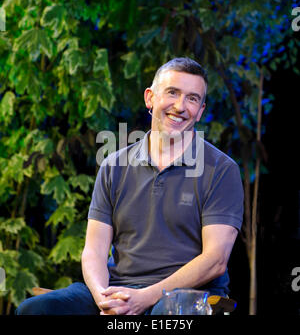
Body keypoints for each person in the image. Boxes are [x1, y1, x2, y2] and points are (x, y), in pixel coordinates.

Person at [16, 57, 244, 315]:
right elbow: (94, 251)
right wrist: (104, 298)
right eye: (172, 93)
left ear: (200, 111)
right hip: (119, 287)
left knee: (166, 316)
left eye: (192, 99)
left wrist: (144, 298)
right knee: (37, 309)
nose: (180, 106)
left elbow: (215, 262)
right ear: (150, 98)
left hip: (194, 297)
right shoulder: (114, 166)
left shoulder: (221, 170)